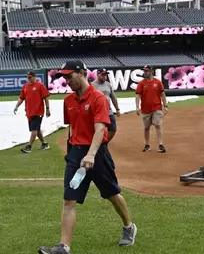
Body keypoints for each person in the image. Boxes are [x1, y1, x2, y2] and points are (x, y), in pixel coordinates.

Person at [38, 60, 137, 254]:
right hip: (76, 154)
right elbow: (72, 126)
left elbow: (101, 128)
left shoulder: (98, 98)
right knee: (69, 200)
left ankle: (128, 226)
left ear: (82, 73)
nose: (67, 80)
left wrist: (91, 153)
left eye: (70, 76)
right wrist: (72, 151)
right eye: (64, 77)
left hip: (97, 153)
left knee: (112, 194)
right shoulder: (68, 101)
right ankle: (63, 247)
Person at [13, 71, 52, 153]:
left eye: (30, 77)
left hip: (38, 111)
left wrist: (48, 109)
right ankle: (44, 144)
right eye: (27, 77)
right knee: (37, 130)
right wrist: (16, 106)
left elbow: (46, 98)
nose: (28, 79)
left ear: (34, 77)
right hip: (29, 112)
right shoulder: (25, 86)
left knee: (34, 129)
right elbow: (21, 98)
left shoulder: (40, 86)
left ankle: (29, 146)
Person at [135, 65, 168, 153]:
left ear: (151, 71)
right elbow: (138, 95)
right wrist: (137, 106)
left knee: (158, 125)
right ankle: (147, 144)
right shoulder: (141, 83)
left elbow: (162, 94)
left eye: (147, 71)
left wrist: (165, 106)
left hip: (157, 108)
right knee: (146, 127)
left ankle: (160, 144)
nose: (145, 73)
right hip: (145, 109)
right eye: (144, 71)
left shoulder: (158, 82)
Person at [92, 68, 121, 142]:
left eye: (106, 75)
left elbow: (113, 97)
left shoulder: (108, 84)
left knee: (113, 129)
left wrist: (117, 109)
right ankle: (96, 143)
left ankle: (104, 143)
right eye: (103, 75)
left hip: (109, 111)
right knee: (98, 130)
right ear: (98, 74)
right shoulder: (92, 86)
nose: (105, 76)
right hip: (98, 112)